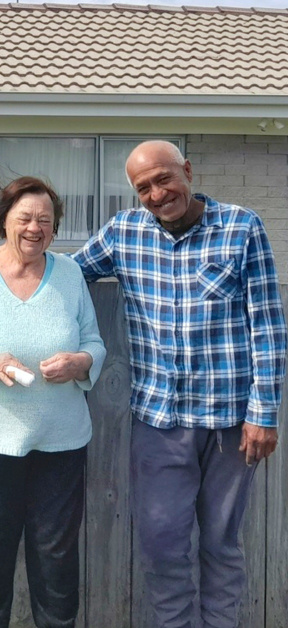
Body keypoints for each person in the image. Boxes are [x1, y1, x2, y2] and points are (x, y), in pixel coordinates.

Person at [74, 140, 286, 627]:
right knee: (162, 544)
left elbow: (269, 326)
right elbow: (64, 278)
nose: (156, 193)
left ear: (187, 171)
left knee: (220, 543)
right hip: (159, 421)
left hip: (232, 423)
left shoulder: (241, 227)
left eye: (164, 179)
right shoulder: (122, 233)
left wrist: (264, 413)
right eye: (142, 187)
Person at [0, 176, 105, 628]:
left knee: (57, 564)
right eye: (25, 217)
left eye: (45, 220)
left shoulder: (69, 273)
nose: (35, 228)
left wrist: (81, 362)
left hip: (60, 445)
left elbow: (94, 341)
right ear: (3, 219)